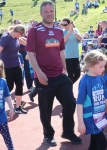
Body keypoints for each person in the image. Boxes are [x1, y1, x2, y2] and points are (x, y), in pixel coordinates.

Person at [26, 1, 82, 146]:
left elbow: (61, 51)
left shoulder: (58, 29)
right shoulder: (35, 30)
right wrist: (39, 73)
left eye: (51, 11)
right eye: (46, 12)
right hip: (43, 76)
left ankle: (68, 131)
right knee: (46, 109)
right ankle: (48, 135)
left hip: (59, 74)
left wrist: (63, 70)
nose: (49, 14)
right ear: (41, 13)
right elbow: (30, 54)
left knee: (70, 102)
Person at [77, 50, 107, 150]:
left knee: (94, 144)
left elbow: (105, 97)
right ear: (91, 66)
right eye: (100, 66)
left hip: (100, 116)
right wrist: (81, 123)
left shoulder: (100, 79)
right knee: (102, 144)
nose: (103, 69)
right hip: (90, 118)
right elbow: (79, 103)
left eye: (104, 66)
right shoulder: (85, 81)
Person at [0, 25, 27, 114]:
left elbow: (25, 42)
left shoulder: (16, 38)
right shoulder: (6, 37)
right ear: (17, 32)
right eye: (20, 34)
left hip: (16, 64)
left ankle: (18, 106)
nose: (20, 36)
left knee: (19, 84)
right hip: (6, 66)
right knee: (9, 86)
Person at [62, 18, 81, 84]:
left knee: (78, 74)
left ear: (70, 24)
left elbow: (80, 38)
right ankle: (69, 89)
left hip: (75, 55)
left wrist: (73, 32)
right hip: (67, 56)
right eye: (62, 24)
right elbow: (63, 40)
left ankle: (67, 86)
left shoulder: (75, 30)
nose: (64, 26)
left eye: (65, 24)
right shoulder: (62, 32)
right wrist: (69, 32)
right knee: (70, 75)